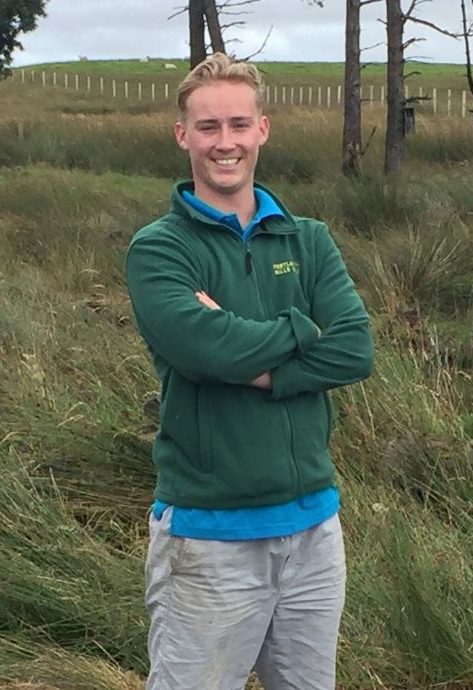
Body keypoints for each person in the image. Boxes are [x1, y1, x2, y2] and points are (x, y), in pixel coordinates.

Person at [125, 52, 375, 690]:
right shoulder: (160, 248)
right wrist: (301, 331)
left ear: (263, 129)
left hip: (314, 531)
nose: (225, 143)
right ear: (183, 135)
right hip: (211, 537)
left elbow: (353, 351)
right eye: (208, 128)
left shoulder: (308, 239)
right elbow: (203, 350)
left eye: (239, 124)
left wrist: (260, 365)